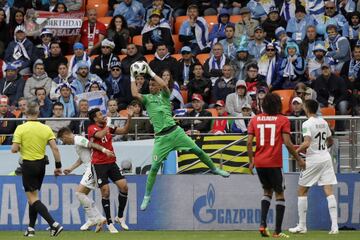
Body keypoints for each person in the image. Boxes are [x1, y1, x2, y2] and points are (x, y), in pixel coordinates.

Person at [130, 61, 230, 211]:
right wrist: (132, 76)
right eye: (149, 85)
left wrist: (150, 72)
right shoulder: (146, 99)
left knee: (198, 151)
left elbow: (164, 85)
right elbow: (134, 94)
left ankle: (214, 169)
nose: (151, 87)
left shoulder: (164, 95)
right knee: (154, 167)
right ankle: (147, 196)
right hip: (161, 138)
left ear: (157, 86)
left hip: (175, 132)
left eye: (153, 85)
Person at [247, 93, 305, 238]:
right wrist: (298, 159)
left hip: (259, 162)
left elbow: (248, 142)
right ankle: (277, 231)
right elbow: (287, 143)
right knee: (279, 194)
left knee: (267, 192)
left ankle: (262, 224)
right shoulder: (282, 120)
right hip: (274, 162)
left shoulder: (255, 119)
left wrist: (251, 160)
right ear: (277, 104)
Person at [11, 102, 63, 237]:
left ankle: (54, 224)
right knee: (33, 197)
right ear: (38, 113)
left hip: (28, 165)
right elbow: (55, 149)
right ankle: (31, 228)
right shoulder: (46, 128)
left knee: (32, 198)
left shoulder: (21, 129)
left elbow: (14, 149)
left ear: (25, 113)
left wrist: (21, 148)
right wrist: (58, 167)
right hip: (41, 165)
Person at [289, 99, 339, 235]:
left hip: (313, 160)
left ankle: (302, 226)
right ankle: (335, 227)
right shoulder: (323, 122)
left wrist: (296, 151)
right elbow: (330, 140)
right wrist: (323, 150)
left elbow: (306, 143)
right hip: (326, 158)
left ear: (305, 108)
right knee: (329, 191)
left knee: (302, 191)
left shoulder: (306, 123)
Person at [57, 127, 114, 232]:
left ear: (65, 136)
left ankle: (95, 218)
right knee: (82, 194)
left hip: (92, 167)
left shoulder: (78, 139)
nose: (63, 142)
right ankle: (96, 218)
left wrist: (104, 150)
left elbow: (91, 145)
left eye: (62, 140)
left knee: (79, 193)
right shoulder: (76, 142)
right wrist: (71, 168)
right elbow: (82, 158)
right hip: (90, 167)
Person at [87, 107, 133, 233]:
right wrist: (108, 123)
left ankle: (120, 216)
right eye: (100, 114)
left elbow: (124, 130)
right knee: (105, 192)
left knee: (124, 187)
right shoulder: (92, 128)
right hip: (99, 164)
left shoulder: (108, 126)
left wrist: (129, 117)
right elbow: (100, 135)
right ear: (95, 118)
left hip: (111, 162)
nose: (103, 115)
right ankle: (109, 222)